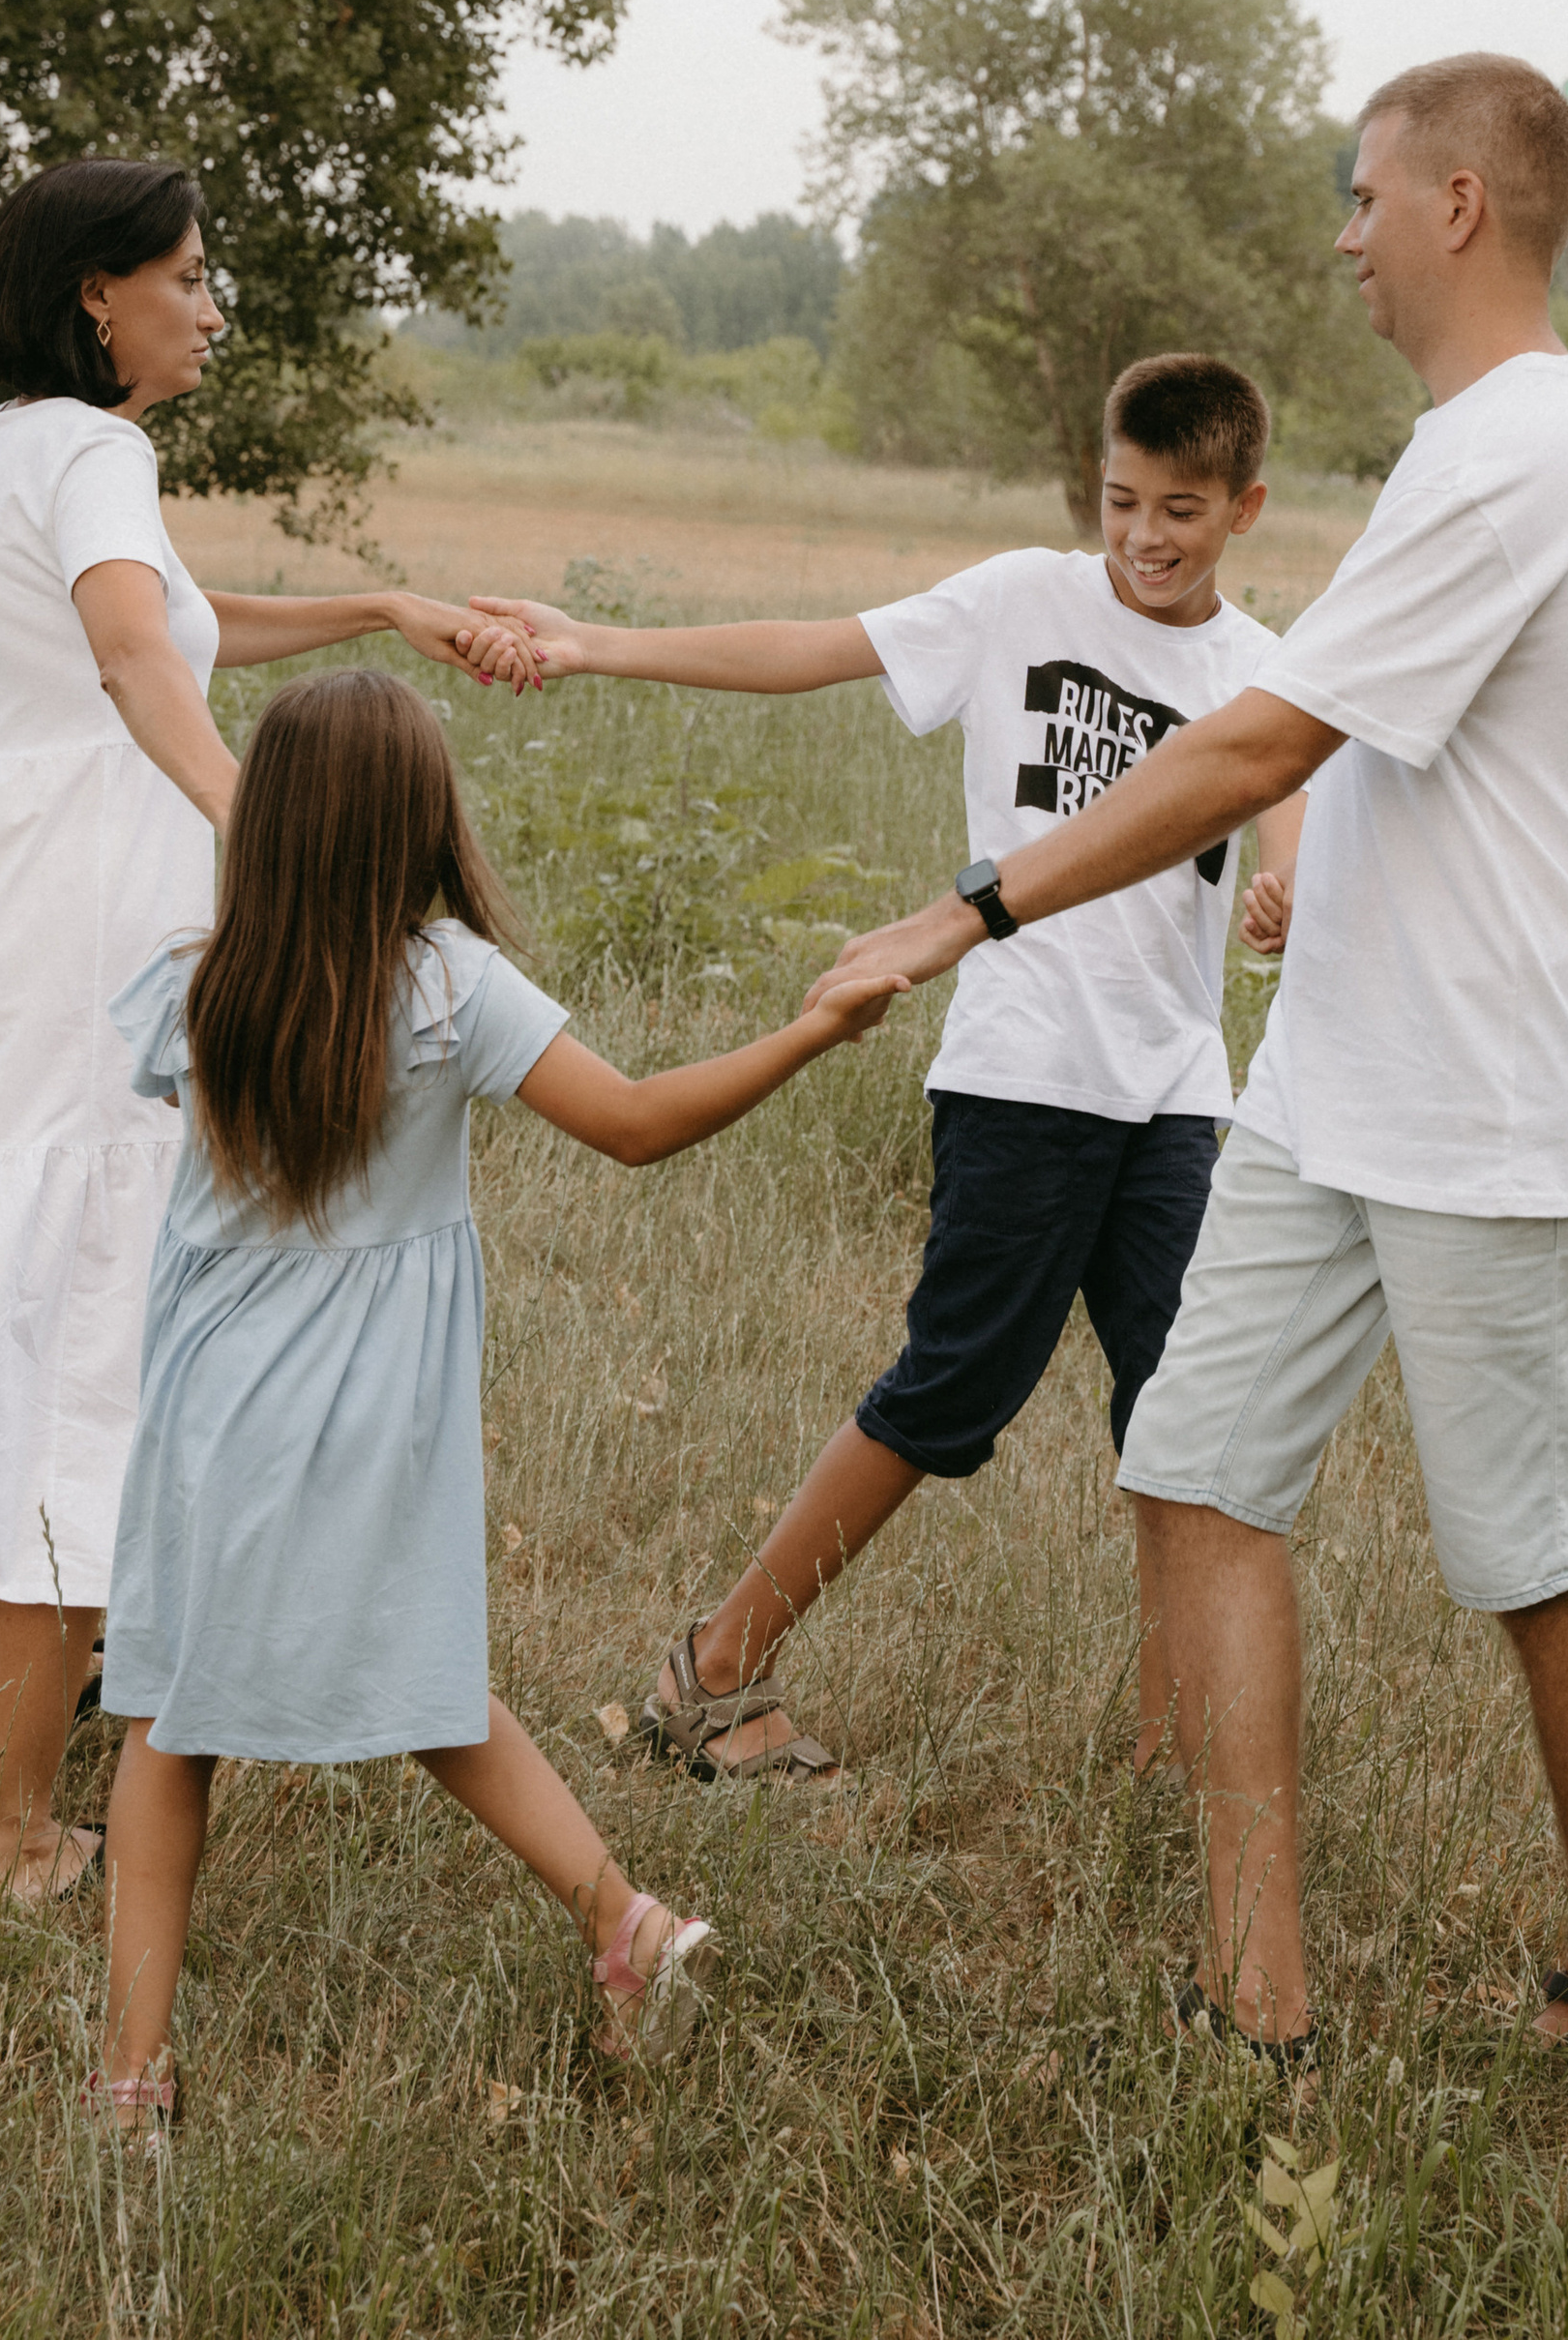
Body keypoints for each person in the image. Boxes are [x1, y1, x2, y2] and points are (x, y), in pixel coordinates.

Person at [817, 58, 1568, 2063]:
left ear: (1457, 204)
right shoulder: (1461, 448)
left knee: (1533, 1561)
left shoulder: (1526, 451)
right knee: (1195, 1473)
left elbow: (1249, 743)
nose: (1344, 232)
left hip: (1486, 1102)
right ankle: (1251, 1994)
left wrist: (976, 903)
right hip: (1325, 1087)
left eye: (1365, 195)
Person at [464, 355, 1305, 1784]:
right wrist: (597, 641)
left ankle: (1177, 1744)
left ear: (1244, 508)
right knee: (954, 1388)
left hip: (1173, 1090)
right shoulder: (1018, 600)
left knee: (1186, 1410)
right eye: (1120, 501)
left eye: (1180, 510)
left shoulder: (1257, 667)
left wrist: (1285, 889)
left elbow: (1278, 799)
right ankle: (714, 1668)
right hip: (1026, 1067)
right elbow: (811, 646)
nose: (1144, 538)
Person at [89, 667, 904, 2138]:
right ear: (425, 827)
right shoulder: (454, 988)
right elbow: (640, 1127)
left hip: (219, 1406)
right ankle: (627, 1924)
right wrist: (810, 1034)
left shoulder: (202, 982)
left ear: (266, 823)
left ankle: (132, 2084)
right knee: (430, 1687)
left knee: (166, 1719)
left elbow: (199, 1109)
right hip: (373, 1411)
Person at [0, 156, 535, 1905]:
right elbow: (137, 658)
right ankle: (15, 1823)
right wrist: (272, 834)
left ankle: (67, 1701)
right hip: (78, 899)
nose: (210, 301)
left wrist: (385, 605)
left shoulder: (7, 447)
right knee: (78, 1333)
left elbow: (185, 619)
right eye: (183, 273)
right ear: (100, 294)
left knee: (52, 1298)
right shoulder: (96, 453)